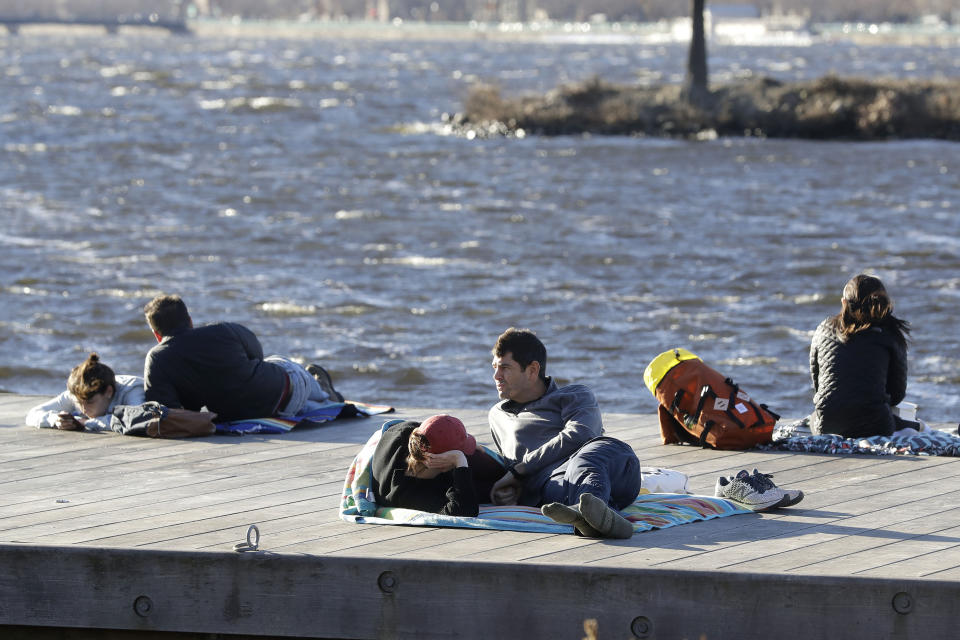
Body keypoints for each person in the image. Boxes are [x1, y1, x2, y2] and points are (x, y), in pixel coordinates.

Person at [487, 328, 641, 539]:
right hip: (556, 485)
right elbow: (508, 462)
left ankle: (594, 512)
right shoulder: (497, 416)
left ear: (532, 370)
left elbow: (581, 433)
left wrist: (521, 469)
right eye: (495, 367)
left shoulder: (575, 395)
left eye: (505, 367)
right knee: (557, 492)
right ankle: (595, 518)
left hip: (611, 467)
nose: (496, 376)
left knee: (585, 459)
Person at [142, 294, 342, 422]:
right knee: (282, 364)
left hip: (235, 416)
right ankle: (324, 390)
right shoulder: (225, 329)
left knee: (290, 392)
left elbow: (164, 409)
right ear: (190, 321)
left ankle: (321, 394)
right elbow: (257, 356)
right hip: (281, 396)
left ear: (157, 335)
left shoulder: (156, 358)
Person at [809, 274, 917, 438]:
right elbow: (897, 394)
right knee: (907, 422)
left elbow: (817, 382)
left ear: (844, 302)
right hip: (877, 426)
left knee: (812, 418)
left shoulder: (823, 328)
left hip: (827, 425)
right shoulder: (890, 334)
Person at [370, 414, 505, 517]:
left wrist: (462, 446)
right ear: (442, 458)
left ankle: (514, 475)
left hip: (435, 469)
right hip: (437, 480)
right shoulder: (403, 493)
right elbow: (464, 512)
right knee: (492, 491)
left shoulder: (410, 434)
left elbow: (428, 430)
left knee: (496, 468)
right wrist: (460, 461)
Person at [26, 353, 145, 432]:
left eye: (90, 402)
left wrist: (86, 423)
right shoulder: (77, 395)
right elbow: (33, 414)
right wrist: (55, 420)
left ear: (109, 392)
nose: (83, 409)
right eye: (79, 403)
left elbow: (136, 420)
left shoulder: (132, 389)